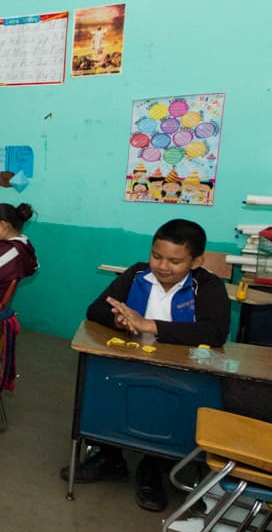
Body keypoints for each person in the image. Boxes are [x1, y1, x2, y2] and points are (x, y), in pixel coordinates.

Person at [62, 218, 231, 512]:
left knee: (164, 409)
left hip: (179, 372)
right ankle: (110, 456)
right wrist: (118, 320)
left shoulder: (208, 286)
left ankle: (153, 467)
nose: (163, 266)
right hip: (130, 362)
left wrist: (148, 324)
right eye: (157, 256)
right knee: (101, 386)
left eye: (175, 261)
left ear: (196, 261)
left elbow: (214, 332)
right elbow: (96, 309)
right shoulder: (136, 274)